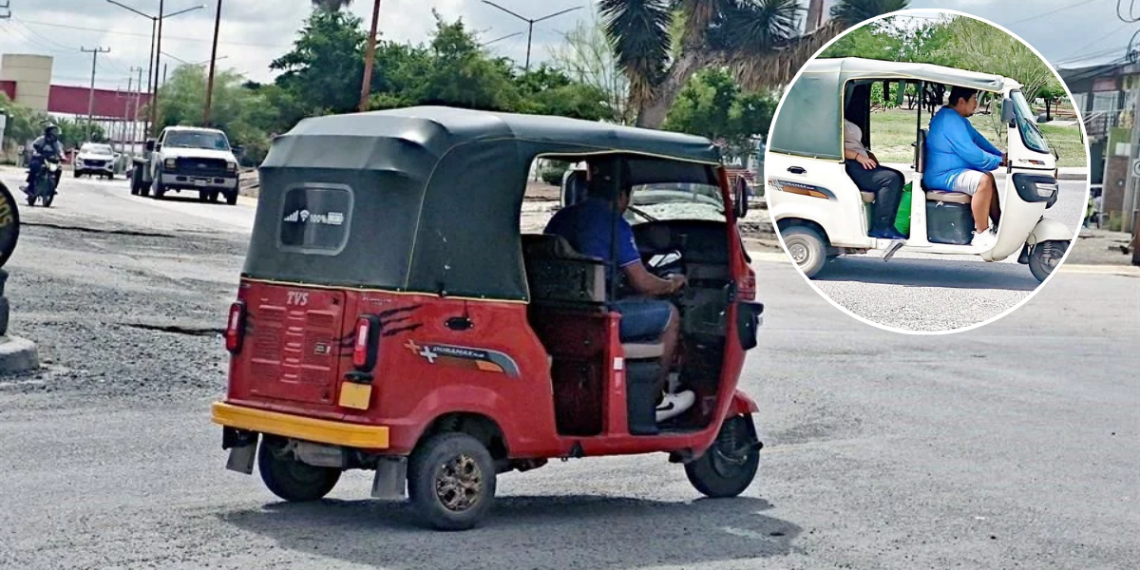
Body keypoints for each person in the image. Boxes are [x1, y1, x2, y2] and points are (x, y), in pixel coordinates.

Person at [544, 158, 695, 422]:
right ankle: (654, 401)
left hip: (555, 317)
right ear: (623, 195)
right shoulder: (614, 224)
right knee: (670, 314)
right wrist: (672, 283)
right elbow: (643, 283)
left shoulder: (562, 217)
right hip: (596, 320)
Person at [923, 86, 1008, 249]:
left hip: (950, 172)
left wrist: (1000, 155)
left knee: (988, 177)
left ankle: (998, 224)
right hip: (942, 176)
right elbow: (972, 153)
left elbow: (978, 140)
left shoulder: (956, 119)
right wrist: (998, 161)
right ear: (961, 101)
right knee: (982, 181)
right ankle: (981, 234)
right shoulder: (949, 120)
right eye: (974, 99)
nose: (976, 104)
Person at [844, 110, 907, 240]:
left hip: (859, 161)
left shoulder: (843, 117)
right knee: (890, 179)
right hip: (850, 164)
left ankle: (888, 225)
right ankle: (880, 227)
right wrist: (858, 156)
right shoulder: (832, 120)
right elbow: (834, 148)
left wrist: (868, 156)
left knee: (898, 176)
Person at [24, 123, 65, 195]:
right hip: (39, 158)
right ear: (48, 132)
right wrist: (35, 152)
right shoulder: (41, 139)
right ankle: (30, 187)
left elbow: (60, 151)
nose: (55, 134)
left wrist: (62, 156)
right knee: (35, 166)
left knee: (58, 169)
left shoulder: (56, 143)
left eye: (56, 132)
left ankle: (53, 188)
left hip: (50, 160)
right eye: (53, 132)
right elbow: (32, 147)